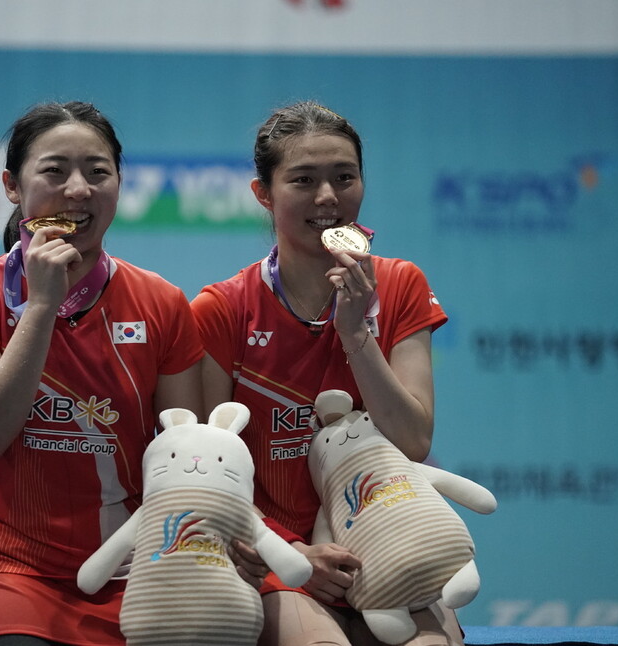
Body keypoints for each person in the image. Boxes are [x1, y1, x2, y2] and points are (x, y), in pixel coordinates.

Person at [0, 101, 204, 646]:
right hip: (7, 571)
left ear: (119, 185)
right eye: (54, 171)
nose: (79, 190)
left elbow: (184, 457)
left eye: (98, 173)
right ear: (12, 185)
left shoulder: (161, 302)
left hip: (138, 570)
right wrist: (41, 306)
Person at [191, 101, 461, 646]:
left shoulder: (401, 284)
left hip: (389, 540)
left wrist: (356, 335)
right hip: (276, 554)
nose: (328, 199)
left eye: (344, 177)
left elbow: (413, 439)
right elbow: (205, 474)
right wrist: (292, 555)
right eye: (303, 180)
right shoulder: (221, 310)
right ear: (263, 193)